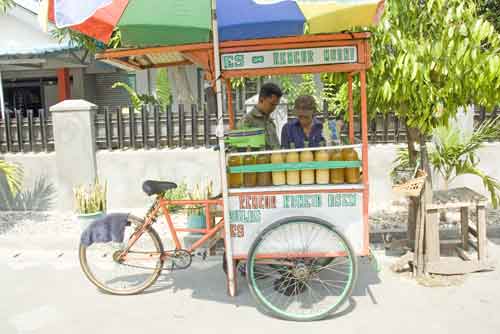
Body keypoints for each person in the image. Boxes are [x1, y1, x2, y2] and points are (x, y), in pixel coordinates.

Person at [237, 82, 283, 149]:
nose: (274, 108)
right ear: (261, 99)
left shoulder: (270, 122)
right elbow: (240, 152)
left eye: (276, 105)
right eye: (272, 104)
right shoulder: (246, 122)